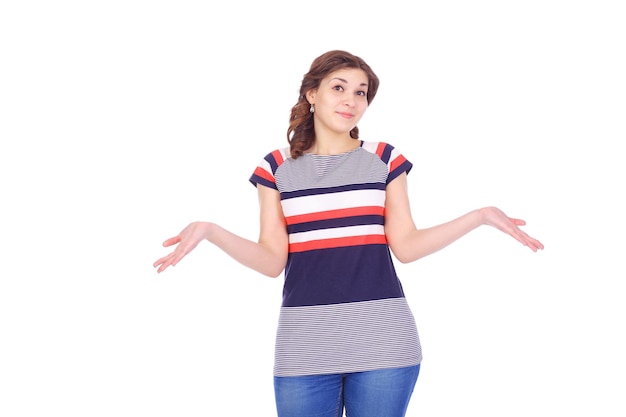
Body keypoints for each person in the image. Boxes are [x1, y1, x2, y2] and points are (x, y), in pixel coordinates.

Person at [153, 50, 544, 417]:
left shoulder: (384, 159)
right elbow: (272, 259)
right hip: (303, 346)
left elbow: (405, 246)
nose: (351, 100)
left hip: (385, 344)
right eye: (338, 87)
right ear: (312, 93)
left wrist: (478, 217)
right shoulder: (276, 167)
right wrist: (211, 231)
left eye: (361, 93)